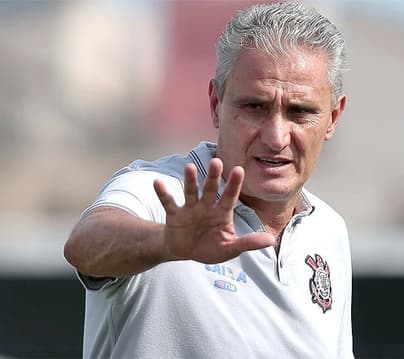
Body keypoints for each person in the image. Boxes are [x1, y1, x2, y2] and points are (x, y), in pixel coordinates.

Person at [63, 2, 352, 358]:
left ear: (333, 117)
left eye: (300, 112)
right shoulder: (160, 190)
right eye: (255, 106)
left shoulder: (329, 231)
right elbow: (86, 246)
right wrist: (165, 243)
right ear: (216, 104)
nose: (277, 136)